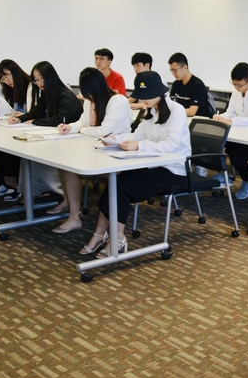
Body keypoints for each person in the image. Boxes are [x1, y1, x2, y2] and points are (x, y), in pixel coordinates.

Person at [80, 71, 191, 259]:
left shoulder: (177, 111)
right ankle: (100, 233)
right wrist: (115, 139)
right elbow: (137, 135)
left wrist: (139, 145)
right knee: (115, 181)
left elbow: (172, 146)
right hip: (152, 165)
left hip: (173, 169)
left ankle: (118, 238)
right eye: (142, 96)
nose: (143, 100)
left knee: (122, 186)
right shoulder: (150, 110)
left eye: (147, 96)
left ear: (159, 92)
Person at [50, 67, 133, 234]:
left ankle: (74, 216)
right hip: (96, 148)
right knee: (64, 164)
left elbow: (104, 131)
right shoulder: (91, 100)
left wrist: (83, 130)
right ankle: (71, 210)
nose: (86, 96)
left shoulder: (117, 100)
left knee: (70, 167)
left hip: (117, 153)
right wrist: (70, 127)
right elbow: (83, 122)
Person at [8, 61, 83, 201]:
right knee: (29, 152)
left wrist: (34, 121)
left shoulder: (65, 96)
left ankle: (52, 190)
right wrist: (19, 119)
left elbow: (58, 120)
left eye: (42, 78)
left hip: (71, 139)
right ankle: (34, 190)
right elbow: (36, 112)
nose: (39, 83)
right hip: (58, 136)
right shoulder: (47, 93)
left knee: (37, 153)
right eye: (36, 80)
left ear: (50, 77)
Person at [212, 62, 248, 199]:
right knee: (217, 144)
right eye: (234, 84)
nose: (236, 88)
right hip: (241, 135)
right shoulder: (237, 92)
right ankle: (224, 175)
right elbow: (231, 112)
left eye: (239, 85)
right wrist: (221, 117)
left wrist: (232, 121)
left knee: (236, 155)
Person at [0, 60, 31, 199]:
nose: (6, 81)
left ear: (15, 72)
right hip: (16, 127)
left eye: (7, 76)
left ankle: (15, 185)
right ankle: (8, 182)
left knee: (9, 148)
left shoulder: (30, 86)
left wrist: (23, 116)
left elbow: (35, 111)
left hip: (30, 129)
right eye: (3, 78)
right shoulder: (8, 90)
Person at [168, 52, 212, 118]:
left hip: (197, 120)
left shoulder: (198, 85)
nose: (173, 73)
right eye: (171, 71)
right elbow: (171, 106)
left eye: (175, 70)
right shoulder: (176, 84)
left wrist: (173, 112)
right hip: (181, 118)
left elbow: (192, 112)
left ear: (185, 67)